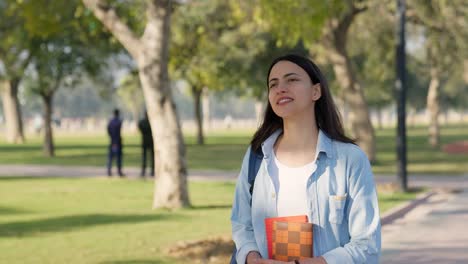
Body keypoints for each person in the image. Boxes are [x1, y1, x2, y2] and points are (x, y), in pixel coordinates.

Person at [231, 54, 381, 264]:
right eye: (273, 84)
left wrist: (317, 262)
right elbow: (241, 224)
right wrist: (252, 258)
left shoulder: (350, 159)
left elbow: (367, 245)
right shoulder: (257, 156)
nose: (280, 88)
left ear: (315, 91)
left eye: (291, 80)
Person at [106, 108, 125, 177]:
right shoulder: (119, 122)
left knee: (111, 157)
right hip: (117, 141)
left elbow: (108, 130)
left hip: (112, 141)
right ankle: (119, 171)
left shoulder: (110, 122)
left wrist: (111, 137)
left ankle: (109, 171)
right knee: (118, 157)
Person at [138, 112, 154, 177]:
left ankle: (143, 171)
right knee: (152, 157)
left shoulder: (142, 122)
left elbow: (139, 127)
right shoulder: (152, 122)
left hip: (144, 141)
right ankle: (152, 171)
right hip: (151, 141)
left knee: (144, 157)